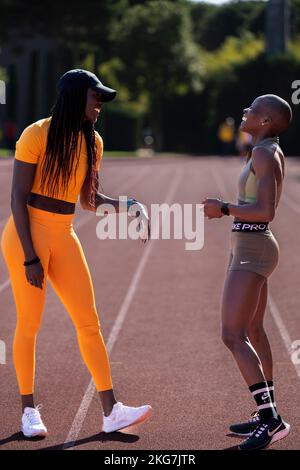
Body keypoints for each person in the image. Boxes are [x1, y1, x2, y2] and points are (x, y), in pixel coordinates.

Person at [1, 69, 152, 438]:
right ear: (73, 98)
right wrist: (30, 257)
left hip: (64, 233)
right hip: (27, 233)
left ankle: (111, 411)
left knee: (89, 321)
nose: (99, 105)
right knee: (30, 324)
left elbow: (88, 200)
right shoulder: (36, 134)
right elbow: (17, 199)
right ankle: (28, 411)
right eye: (94, 98)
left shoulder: (93, 142)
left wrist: (129, 204)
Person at [202, 94, 292, 450]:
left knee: (232, 334)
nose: (244, 111)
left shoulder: (263, 153)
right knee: (253, 329)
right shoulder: (266, 149)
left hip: (253, 249)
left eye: (251, 109)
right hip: (251, 247)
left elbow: (265, 210)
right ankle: (267, 412)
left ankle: (270, 420)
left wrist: (223, 208)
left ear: (266, 121)